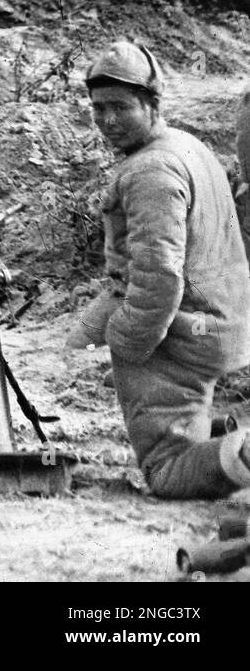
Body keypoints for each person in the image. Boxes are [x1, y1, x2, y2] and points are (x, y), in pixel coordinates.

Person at [70, 40, 250, 497]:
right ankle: (215, 437)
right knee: (182, 424)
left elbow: (158, 278)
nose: (108, 121)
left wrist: (127, 343)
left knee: (166, 471)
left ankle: (241, 455)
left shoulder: (151, 171)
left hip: (181, 331)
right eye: (98, 109)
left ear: (152, 104)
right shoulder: (183, 145)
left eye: (121, 107)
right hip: (215, 320)